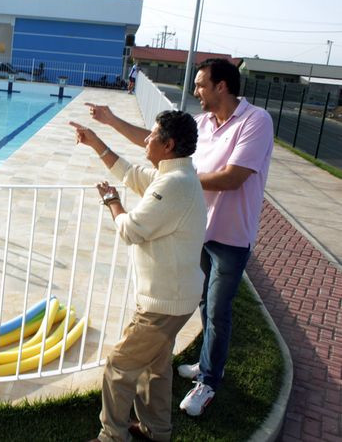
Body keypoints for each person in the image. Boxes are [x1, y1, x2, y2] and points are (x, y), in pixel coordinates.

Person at [86, 57, 274, 417]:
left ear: (222, 86)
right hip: (197, 229)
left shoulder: (255, 121)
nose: (195, 91)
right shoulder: (201, 125)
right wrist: (110, 123)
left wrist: (178, 179)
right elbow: (158, 145)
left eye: (201, 84)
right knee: (201, 305)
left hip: (231, 234)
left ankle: (208, 380)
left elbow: (233, 177)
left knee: (218, 310)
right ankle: (191, 382)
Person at [70, 109, 206, 442]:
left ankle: (112, 436)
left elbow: (130, 230)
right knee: (156, 367)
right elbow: (130, 173)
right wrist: (96, 142)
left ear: (168, 144)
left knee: (119, 364)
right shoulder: (175, 175)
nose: (145, 138)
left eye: (152, 135)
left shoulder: (175, 184)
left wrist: (111, 201)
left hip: (164, 304)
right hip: (177, 298)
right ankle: (156, 431)